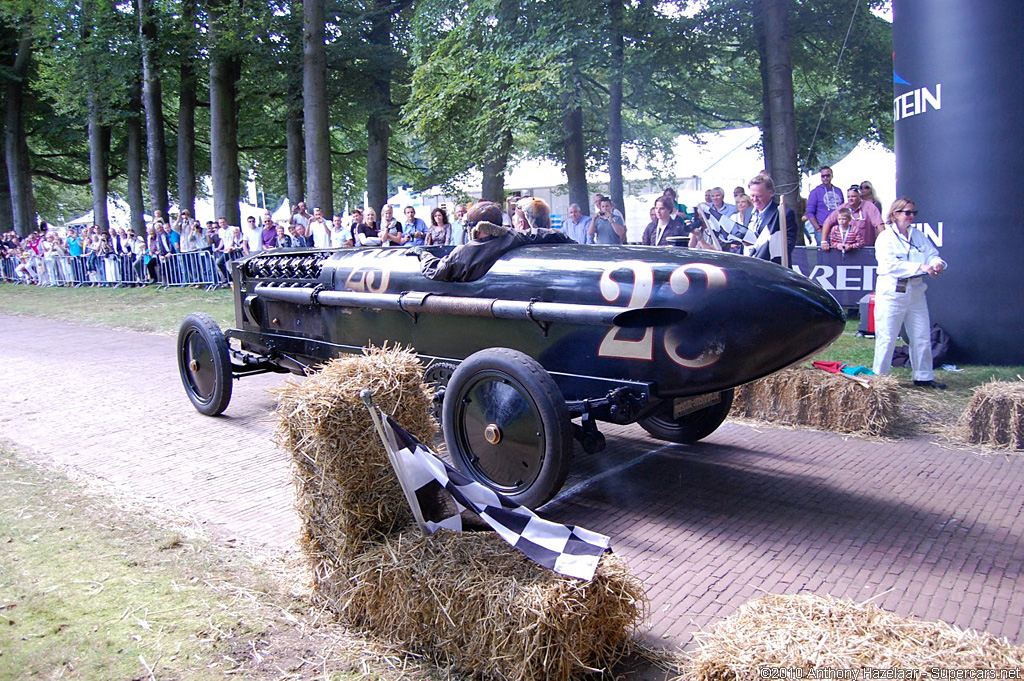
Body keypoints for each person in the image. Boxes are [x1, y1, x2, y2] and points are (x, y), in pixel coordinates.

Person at [872, 198, 947, 388]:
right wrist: (920, 266)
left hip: (916, 291)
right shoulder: (885, 238)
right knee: (887, 336)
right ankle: (879, 378)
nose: (911, 217)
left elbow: (932, 254)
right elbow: (890, 265)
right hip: (892, 292)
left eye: (913, 213)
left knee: (921, 334)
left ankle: (923, 376)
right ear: (895, 214)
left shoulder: (918, 235)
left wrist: (937, 263)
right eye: (907, 213)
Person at [416, 200, 573, 283]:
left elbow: (434, 271)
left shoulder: (464, 254)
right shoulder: (514, 237)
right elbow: (549, 234)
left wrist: (423, 254)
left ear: (479, 228)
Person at [747, 174, 798, 264]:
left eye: (759, 196)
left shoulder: (783, 213)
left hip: (773, 268)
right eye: (752, 195)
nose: (755, 199)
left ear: (771, 192)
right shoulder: (748, 213)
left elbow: (787, 246)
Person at [805, 166, 844, 240]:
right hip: (822, 228)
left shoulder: (838, 191)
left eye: (828, 175)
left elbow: (843, 209)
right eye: (823, 176)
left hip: (838, 228)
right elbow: (810, 212)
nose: (825, 178)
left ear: (832, 176)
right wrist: (817, 228)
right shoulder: (815, 192)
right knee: (823, 250)